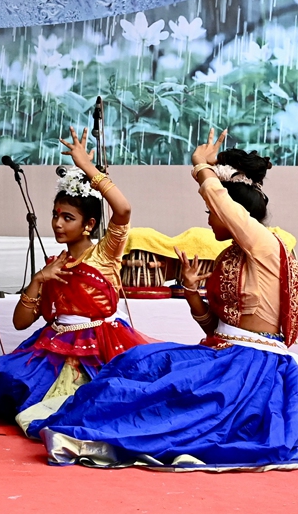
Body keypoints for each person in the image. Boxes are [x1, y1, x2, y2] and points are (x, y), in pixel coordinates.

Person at [39, 131, 298, 470]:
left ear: (234, 212)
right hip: (222, 353)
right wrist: (192, 293)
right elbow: (212, 326)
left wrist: (200, 165)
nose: (208, 217)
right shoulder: (229, 257)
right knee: (138, 363)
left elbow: (221, 200)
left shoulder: (264, 244)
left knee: (173, 397)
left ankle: (111, 437)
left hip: (251, 367)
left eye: (211, 211)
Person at [0, 127, 149, 435]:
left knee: (97, 402)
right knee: (10, 378)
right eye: (55, 215)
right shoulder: (54, 264)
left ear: (89, 224)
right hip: (55, 344)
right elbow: (21, 323)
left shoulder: (104, 253)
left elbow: (124, 209)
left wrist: (89, 169)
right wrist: (38, 280)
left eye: (67, 218)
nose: (57, 223)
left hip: (99, 347)